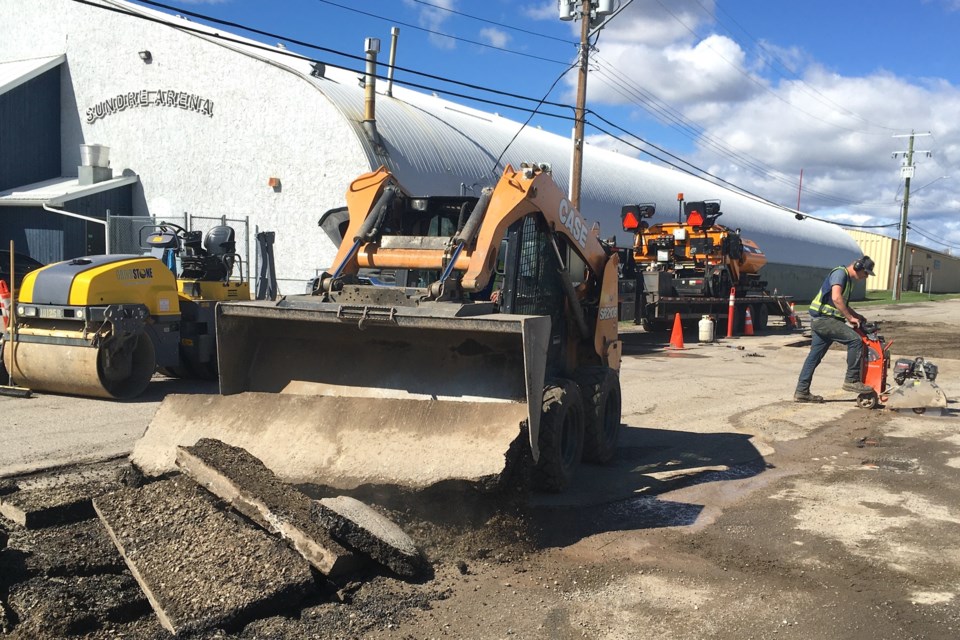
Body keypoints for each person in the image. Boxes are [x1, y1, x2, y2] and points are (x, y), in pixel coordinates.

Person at [794, 256, 876, 403]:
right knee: (856, 341)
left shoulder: (847, 280)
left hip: (823, 320)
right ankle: (851, 380)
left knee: (814, 357)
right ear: (858, 267)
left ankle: (802, 391)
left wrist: (857, 316)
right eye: (866, 273)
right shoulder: (840, 274)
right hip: (825, 320)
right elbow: (837, 298)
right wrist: (850, 318)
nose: (865, 277)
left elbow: (841, 303)